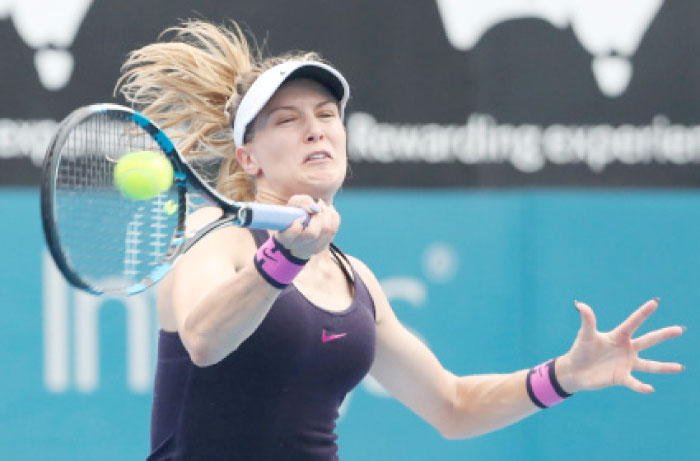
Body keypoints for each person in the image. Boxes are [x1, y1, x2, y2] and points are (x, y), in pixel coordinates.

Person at [116, 20, 686, 460]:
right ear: (248, 157)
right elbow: (205, 342)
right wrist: (284, 256)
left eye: (326, 113)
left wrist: (562, 376)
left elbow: (452, 405)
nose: (315, 126)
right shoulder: (213, 237)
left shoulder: (354, 279)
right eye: (287, 120)